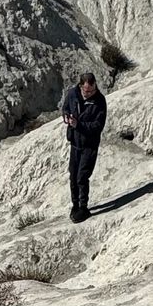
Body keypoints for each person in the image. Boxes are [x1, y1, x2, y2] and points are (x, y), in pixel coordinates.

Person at [60, 70, 107, 220]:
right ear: (81, 86)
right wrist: (66, 117)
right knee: (73, 175)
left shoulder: (99, 101)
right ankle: (75, 205)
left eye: (92, 90)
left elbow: (98, 126)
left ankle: (83, 208)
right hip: (75, 142)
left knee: (82, 176)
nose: (88, 94)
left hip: (89, 144)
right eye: (86, 91)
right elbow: (65, 108)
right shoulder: (73, 94)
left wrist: (78, 125)